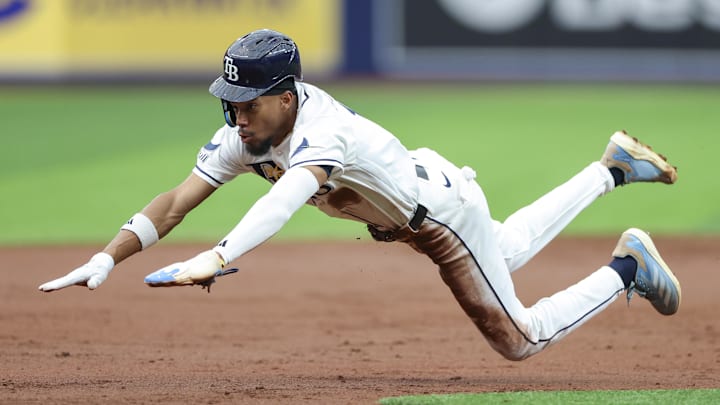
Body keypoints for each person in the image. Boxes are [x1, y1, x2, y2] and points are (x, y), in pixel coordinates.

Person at [39, 29, 681, 361]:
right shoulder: (248, 133)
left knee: (520, 339)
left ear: (285, 98)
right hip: (428, 191)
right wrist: (108, 257)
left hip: (439, 219)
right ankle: (612, 169)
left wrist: (220, 254)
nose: (235, 115)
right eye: (229, 102)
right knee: (506, 249)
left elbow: (288, 197)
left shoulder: (325, 131)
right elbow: (176, 200)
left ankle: (628, 269)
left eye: (246, 102)